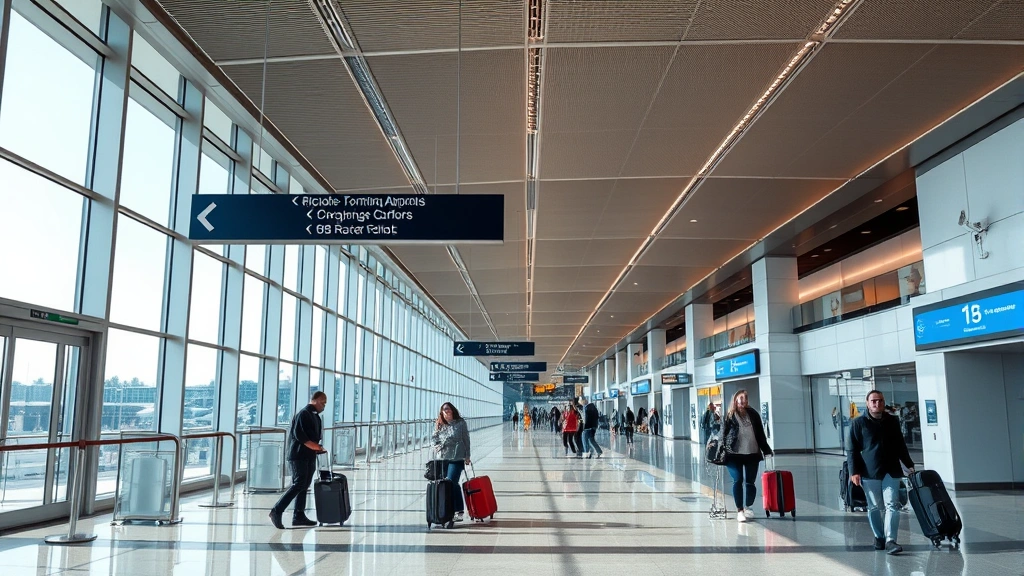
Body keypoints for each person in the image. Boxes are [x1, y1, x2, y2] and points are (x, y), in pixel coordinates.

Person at [848, 390, 916, 555]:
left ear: (884, 403)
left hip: (891, 470)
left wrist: (909, 464)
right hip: (869, 472)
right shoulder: (858, 423)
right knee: (874, 507)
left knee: (892, 504)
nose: (877, 404)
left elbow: (900, 445)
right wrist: (854, 471)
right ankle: (879, 537)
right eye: (873, 401)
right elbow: (852, 450)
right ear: (867, 403)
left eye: (880, 401)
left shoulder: (892, 421)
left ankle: (891, 540)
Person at [269, 391, 327, 529]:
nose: (324, 406)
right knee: (298, 484)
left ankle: (299, 515)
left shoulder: (315, 416)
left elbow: (314, 437)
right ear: (314, 400)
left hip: (309, 456)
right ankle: (277, 510)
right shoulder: (303, 414)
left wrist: (317, 448)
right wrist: (316, 447)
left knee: (304, 485)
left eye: (325, 403)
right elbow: (300, 436)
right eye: (322, 402)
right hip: (298, 456)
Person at [720, 389, 773, 523]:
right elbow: (722, 434)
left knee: (750, 482)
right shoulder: (729, 416)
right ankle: (740, 510)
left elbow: (760, 434)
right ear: (735, 399)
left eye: (745, 398)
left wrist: (766, 450)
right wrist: (720, 450)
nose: (743, 400)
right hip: (733, 454)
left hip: (752, 453)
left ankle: (748, 506)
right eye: (741, 398)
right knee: (738, 480)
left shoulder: (753, 414)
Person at [432, 402, 472, 523]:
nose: (446, 411)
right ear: (441, 412)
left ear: (452, 410)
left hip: (457, 457)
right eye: (444, 409)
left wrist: (467, 456)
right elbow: (434, 439)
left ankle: (459, 510)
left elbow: (466, 439)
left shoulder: (460, 423)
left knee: (452, 481)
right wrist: (436, 445)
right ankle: (447, 510)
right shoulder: (440, 424)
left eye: (448, 408)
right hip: (443, 457)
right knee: (445, 484)